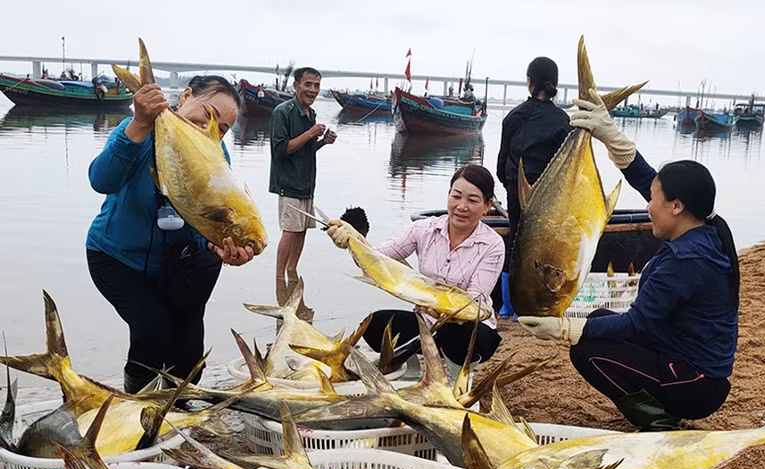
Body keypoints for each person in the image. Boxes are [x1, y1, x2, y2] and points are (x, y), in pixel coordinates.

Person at [519, 89, 740, 431]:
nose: (648, 206)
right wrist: (611, 137)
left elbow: (638, 324)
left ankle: (659, 425)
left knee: (586, 349)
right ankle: (659, 406)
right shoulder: (704, 229)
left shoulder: (687, 260)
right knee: (599, 319)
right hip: (684, 358)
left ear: (677, 206)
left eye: (654, 200)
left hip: (697, 384)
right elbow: (648, 180)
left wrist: (564, 328)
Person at [86, 75, 254, 394]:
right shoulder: (136, 133)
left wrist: (220, 246)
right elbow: (101, 180)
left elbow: (207, 224)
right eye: (206, 115)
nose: (210, 130)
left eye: (222, 128)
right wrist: (138, 123)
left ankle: (177, 405)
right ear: (185, 96)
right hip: (117, 259)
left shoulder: (217, 158)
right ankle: (137, 405)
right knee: (152, 333)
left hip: (181, 264)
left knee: (189, 355)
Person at [326, 164, 504, 367]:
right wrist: (353, 241)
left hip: (471, 327)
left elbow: (475, 303)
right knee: (374, 325)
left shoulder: (493, 244)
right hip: (426, 322)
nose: (461, 206)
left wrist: (437, 309)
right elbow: (376, 260)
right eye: (456, 196)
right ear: (448, 195)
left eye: (472, 200)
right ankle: (413, 368)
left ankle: (458, 381)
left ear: (488, 205)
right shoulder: (423, 229)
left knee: (458, 335)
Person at [496, 57, 572, 317]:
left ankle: (508, 307)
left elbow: (501, 161)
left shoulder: (513, 117)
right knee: (545, 247)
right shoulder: (564, 121)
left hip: (517, 192)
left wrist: (509, 184)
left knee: (516, 241)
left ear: (529, 82)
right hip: (550, 197)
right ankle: (536, 303)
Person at [270, 67, 337, 288]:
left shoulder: (311, 114)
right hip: (288, 184)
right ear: (296, 86)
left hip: (307, 185)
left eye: (316, 86)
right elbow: (281, 150)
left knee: (301, 231)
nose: (313, 90)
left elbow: (304, 150)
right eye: (308, 84)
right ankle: (280, 280)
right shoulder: (283, 112)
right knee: (290, 231)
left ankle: (292, 272)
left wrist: (322, 142)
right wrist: (309, 133)